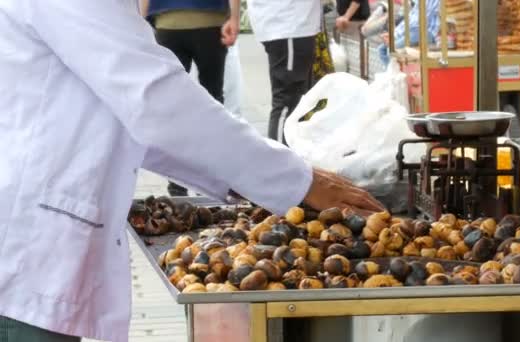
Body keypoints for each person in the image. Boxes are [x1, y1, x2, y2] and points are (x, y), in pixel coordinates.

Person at [0, 1, 384, 342]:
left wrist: (265, 183)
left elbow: (142, 124)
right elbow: (157, 101)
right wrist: (299, 182)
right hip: (25, 254)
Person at [140, 0, 240, 196]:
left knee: (173, 107)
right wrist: (234, 17)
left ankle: (176, 182)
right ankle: (211, 179)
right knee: (213, 102)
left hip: (168, 25)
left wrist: (139, 24)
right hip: (209, 23)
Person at [247, 0, 320, 143]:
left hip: (289, 24)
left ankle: (288, 156)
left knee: (296, 100)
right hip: (289, 24)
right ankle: (279, 159)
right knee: (287, 100)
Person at [373, 0, 441, 67]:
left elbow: (418, 20)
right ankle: (392, 73)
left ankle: (395, 73)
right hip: (414, 31)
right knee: (382, 49)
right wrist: (394, 34)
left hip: (426, 32)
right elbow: (411, 18)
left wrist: (395, 35)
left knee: (391, 49)